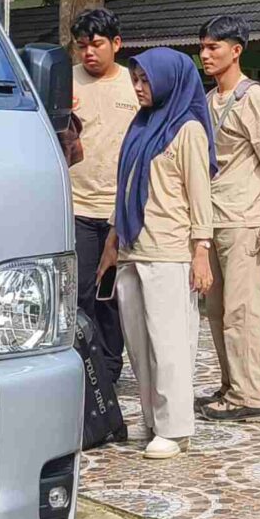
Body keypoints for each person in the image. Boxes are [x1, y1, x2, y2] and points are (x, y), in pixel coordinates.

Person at [98, 49, 216, 460]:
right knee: (140, 345)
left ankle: (176, 428)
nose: (138, 87)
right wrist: (113, 242)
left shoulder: (187, 131)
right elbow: (124, 187)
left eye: (146, 81)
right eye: (135, 80)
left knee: (169, 345)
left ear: (168, 81)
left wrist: (201, 250)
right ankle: (153, 420)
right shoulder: (141, 126)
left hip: (169, 251)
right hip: (133, 249)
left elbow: (201, 196)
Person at [196, 16, 260, 422]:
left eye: (214, 47)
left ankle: (251, 394)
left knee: (243, 311)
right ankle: (231, 384)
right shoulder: (207, 99)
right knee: (216, 310)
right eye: (202, 47)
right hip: (211, 218)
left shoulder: (254, 98)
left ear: (236, 50)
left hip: (245, 220)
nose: (205, 54)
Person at [68, 9, 141, 446]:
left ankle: (110, 370)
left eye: (97, 43)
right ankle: (80, 366)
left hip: (120, 208)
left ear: (117, 43)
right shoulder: (64, 81)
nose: (89, 51)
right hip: (76, 204)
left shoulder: (133, 84)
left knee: (111, 294)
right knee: (77, 293)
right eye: (82, 44)